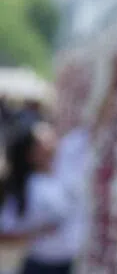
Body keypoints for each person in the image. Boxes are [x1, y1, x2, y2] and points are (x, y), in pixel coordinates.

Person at [0, 115, 74, 274]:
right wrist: (38, 232)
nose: (52, 141)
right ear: (31, 153)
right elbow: (4, 233)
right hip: (41, 265)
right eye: (43, 141)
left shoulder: (63, 167)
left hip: (67, 262)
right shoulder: (27, 186)